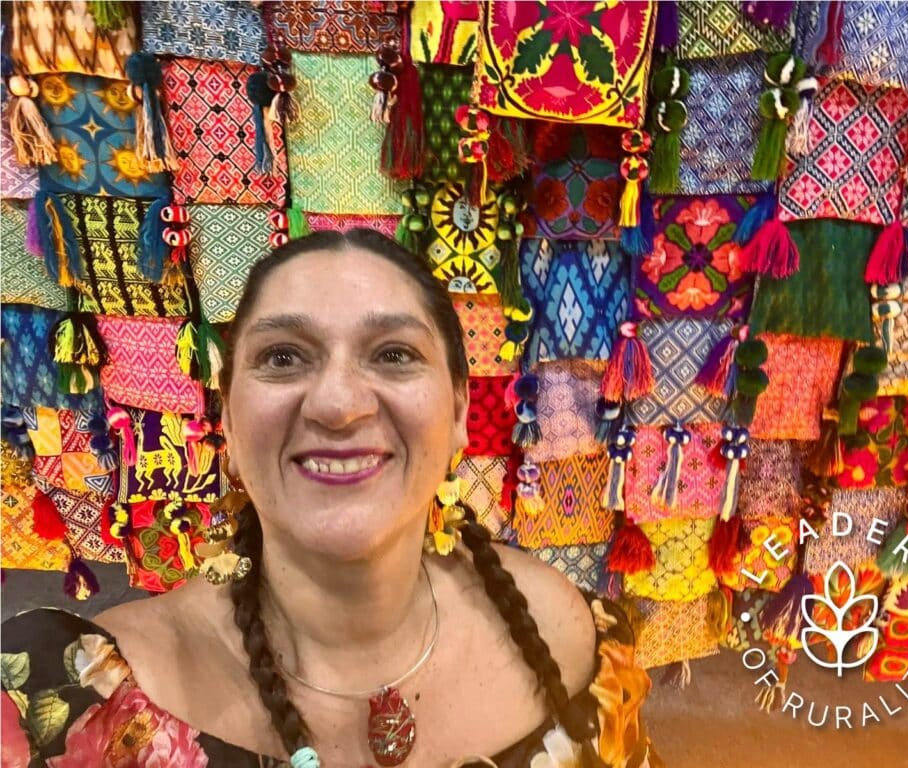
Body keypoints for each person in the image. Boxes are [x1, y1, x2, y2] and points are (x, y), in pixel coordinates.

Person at [2, 230, 660, 767]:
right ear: (227, 419)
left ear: (460, 411)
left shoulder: (569, 639)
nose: (339, 403)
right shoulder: (63, 699)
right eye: (283, 358)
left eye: (394, 354)